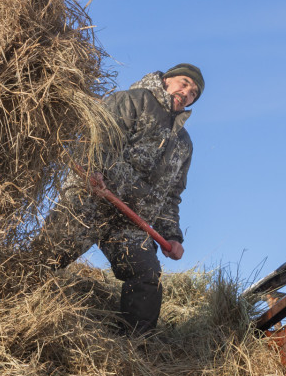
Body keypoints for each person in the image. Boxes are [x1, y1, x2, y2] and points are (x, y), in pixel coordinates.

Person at [38, 64, 203, 333]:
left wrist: (173, 236)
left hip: (131, 223)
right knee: (47, 257)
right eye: (183, 83)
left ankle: (134, 348)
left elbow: (171, 195)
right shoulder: (132, 101)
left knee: (147, 276)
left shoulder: (184, 143)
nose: (186, 92)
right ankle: (4, 302)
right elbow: (97, 139)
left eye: (193, 93)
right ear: (166, 80)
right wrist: (95, 171)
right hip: (91, 198)